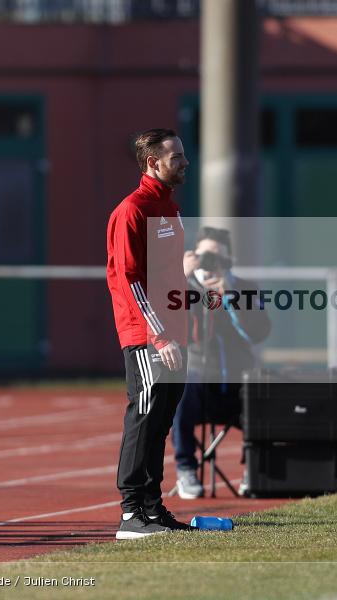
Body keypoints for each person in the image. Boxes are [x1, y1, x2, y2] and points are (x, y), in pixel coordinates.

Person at [106, 128, 194, 539]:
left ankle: (153, 508)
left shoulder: (170, 209)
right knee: (143, 416)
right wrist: (159, 336)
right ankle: (130, 513)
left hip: (176, 333)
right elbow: (129, 280)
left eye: (183, 154)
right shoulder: (132, 211)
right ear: (152, 163)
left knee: (161, 420)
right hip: (147, 336)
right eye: (176, 157)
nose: (184, 162)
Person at [172, 227, 270, 498]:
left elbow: (259, 333)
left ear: (230, 261)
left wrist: (231, 298)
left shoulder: (245, 289)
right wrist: (180, 276)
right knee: (177, 392)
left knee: (264, 393)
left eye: (219, 259)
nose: (212, 264)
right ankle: (186, 469)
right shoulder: (182, 286)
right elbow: (161, 318)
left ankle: (254, 468)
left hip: (236, 382)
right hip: (197, 381)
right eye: (206, 257)